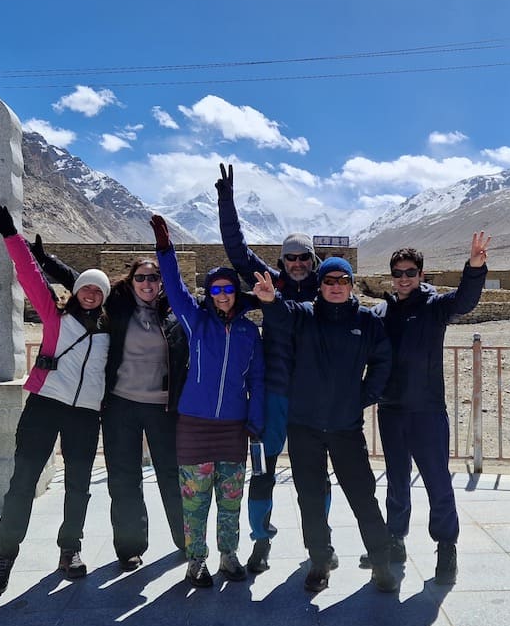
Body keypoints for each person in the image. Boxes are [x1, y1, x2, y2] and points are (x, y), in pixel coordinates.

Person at [31, 237, 189, 571]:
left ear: (162, 284)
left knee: (172, 475)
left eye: (154, 278)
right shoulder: (116, 306)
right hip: (120, 405)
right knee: (124, 477)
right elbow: (81, 280)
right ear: (130, 282)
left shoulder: (176, 314)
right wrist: (46, 260)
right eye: (141, 278)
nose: (147, 283)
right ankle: (130, 546)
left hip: (163, 408)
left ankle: (187, 539)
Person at [0, 201, 111, 595]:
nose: (90, 293)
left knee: (79, 485)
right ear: (76, 291)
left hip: (86, 415)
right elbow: (30, 275)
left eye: (97, 289)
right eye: (85, 287)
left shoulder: (112, 331)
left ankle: (69, 549)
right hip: (45, 406)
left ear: (104, 297)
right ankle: (6, 554)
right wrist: (11, 235)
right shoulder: (55, 317)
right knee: (22, 480)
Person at [252, 257, 398, 593]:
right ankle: (320, 561)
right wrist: (269, 300)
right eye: (329, 281)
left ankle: (380, 562)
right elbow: (281, 316)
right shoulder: (304, 315)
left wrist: (362, 396)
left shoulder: (366, 322)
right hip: (304, 427)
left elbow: (382, 362)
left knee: (363, 497)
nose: (335, 286)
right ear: (319, 285)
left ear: (350, 284)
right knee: (311, 498)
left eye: (342, 280)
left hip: (346, 427)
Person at [215, 162, 333, 573]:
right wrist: (226, 205)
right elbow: (236, 253)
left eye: (304, 257)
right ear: (281, 262)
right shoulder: (270, 285)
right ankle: (260, 540)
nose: (297, 263)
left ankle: (323, 542)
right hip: (273, 396)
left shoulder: (328, 289)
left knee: (315, 476)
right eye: (290, 257)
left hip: (314, 401)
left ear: (313, 260)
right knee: (262, 471)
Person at [150, 214, 264, 588]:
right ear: (209, 294)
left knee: (230, 498)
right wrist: (165, 250)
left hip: (233, 427)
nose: (222, 295)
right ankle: (195, 560)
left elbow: (258, 379)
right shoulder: (196, 321)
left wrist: (255, 417)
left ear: (236, 292)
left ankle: (228, 555)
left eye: (228, 288)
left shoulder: (249, 331)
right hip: (195, 425)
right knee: (195, 501)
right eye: (215, 290)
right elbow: (175, 286)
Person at [370, 234, 490, 585]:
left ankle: (446, 547)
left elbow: (465, 301)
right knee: (396, 481)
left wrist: (475, 269)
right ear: (392, 275)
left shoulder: (434, 307)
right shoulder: (383, 312)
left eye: (410, 272)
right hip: (391, 410)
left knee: (438, 481)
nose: (404, 278)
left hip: (427, 411)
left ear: (421, 274)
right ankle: (395, 539)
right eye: (398, 272)